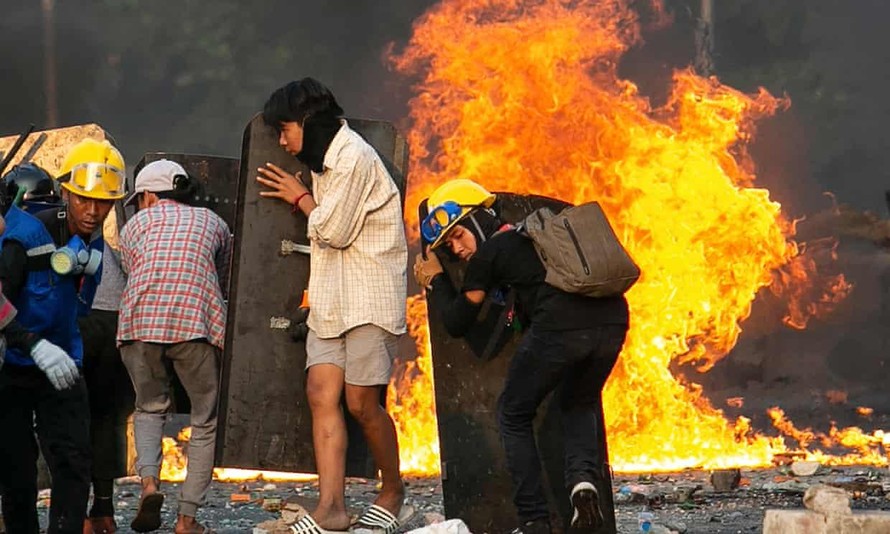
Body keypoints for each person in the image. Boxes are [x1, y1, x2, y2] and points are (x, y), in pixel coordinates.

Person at [413, 179, 630, 534]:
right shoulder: (534, 237)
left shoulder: (491, 252)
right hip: (612, 321)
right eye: (448, 245)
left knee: (512, 414)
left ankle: (533, 520)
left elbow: (457, 321)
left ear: (480, 218)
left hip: (561, 327)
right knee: (579, 401)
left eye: (458, 235)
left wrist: (437, 281)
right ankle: (582, 484)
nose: (457, 248)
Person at [256, 77, 412, 534]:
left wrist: (300, 197)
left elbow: (334, 230)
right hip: (331, 299)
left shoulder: (354, 158)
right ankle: (332, 508)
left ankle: (393, 491)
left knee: (362, 403)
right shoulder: (325, 163)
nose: (282, 142)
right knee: (320, 393)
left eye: (285, 129)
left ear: (307, 121)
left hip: (368, 300)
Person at [0, 139, 125, 534]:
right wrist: (33, 345)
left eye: (104, 202)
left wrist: (62, 350)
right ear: (66, 192)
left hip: (63, 363)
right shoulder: (24, 237)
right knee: (16, 468)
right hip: (14, 364)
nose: (93, 211)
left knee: (74, 463)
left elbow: (78, 304)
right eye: (84, 200)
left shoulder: (94, 241)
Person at [118, 159, 231, 534]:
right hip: (196, 323)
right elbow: (224, 273)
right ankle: (187, 519)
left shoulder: (133, 226)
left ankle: (150, 484)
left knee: (149, 409)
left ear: (149, 195)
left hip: (140, 324)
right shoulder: (215, 223)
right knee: (205, 420)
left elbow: (133, 270)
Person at [79, 205, 135, 534]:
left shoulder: (56, 235)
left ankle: (77, 510)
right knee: (107, 418)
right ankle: (103, 509)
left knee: (70, 418)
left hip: (82, 322)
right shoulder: (112, 251)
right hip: (116, 321)